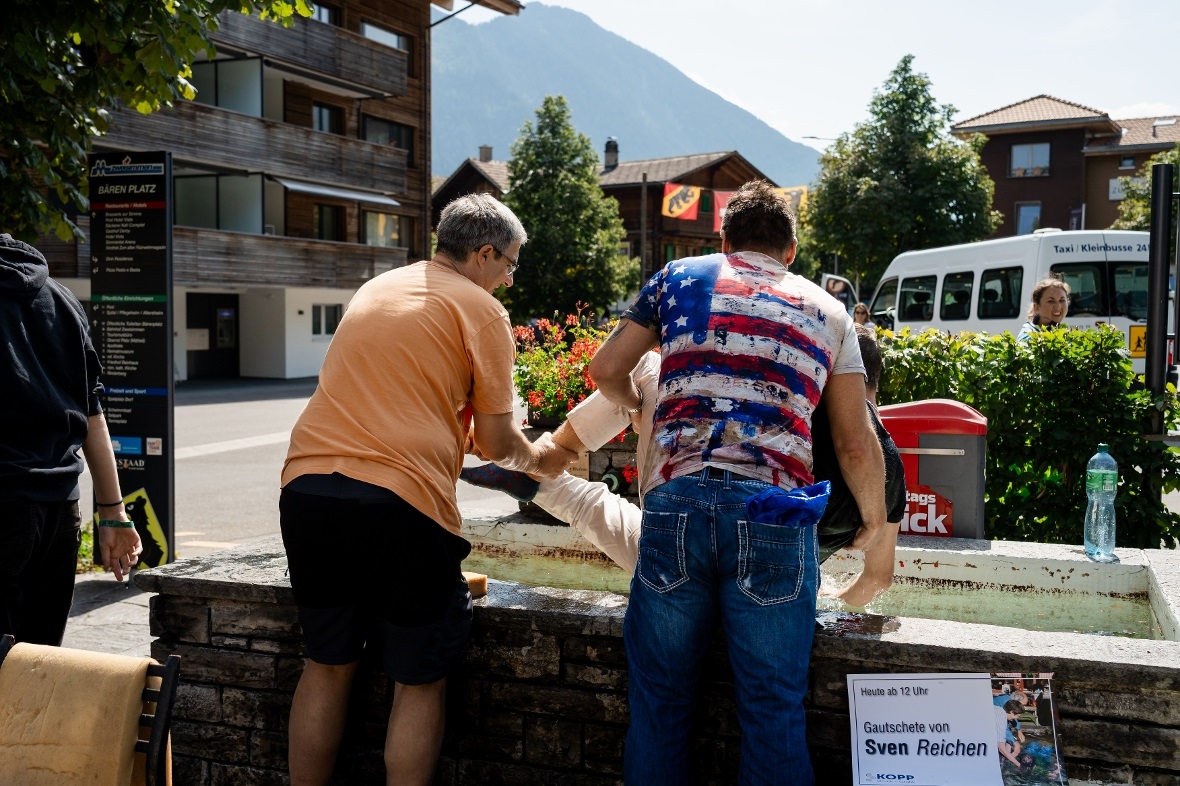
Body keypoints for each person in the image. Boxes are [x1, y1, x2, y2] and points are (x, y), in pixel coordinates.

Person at [586, 180, 890, 785]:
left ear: (724, 238)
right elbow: (857, 443)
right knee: (773, 710)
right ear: (792, 250)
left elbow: (605, 369)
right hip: (774, 512)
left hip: (677, 503)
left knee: (661, 704)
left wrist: (635, 399)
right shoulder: (829, 312)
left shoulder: (677, 277)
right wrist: (877, 527)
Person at [278, 194, 572, 786]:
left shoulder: (379, 288)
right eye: (510, 265)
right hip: (397, 504)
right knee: (418, 678)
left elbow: (389, 404)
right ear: (484, 253)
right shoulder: (480, 309)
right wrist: (544, 455)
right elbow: (496, 443)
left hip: (306, 486)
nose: (509, 281)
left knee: (328, 662)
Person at [461, 323, 906, 606]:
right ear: (876, 386)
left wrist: (638, 408)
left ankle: (546, 459)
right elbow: (877, 580)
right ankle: (541, 480)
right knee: (597, 513)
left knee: (650, 368)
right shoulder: (889, 471)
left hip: (691, 527)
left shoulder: (796, 408)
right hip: (757, 589)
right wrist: (823, 603)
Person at [0, 233, 142, 646]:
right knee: (41, 662)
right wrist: (113, 512)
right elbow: (92, 415)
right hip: (60, 513)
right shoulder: (61, 299)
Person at [1017, 276, 1071, 341]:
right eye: (1051, 301)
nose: (1058, 307)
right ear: (1036, 307)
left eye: (1062, 300)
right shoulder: (1028, 336)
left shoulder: (1063, 333)